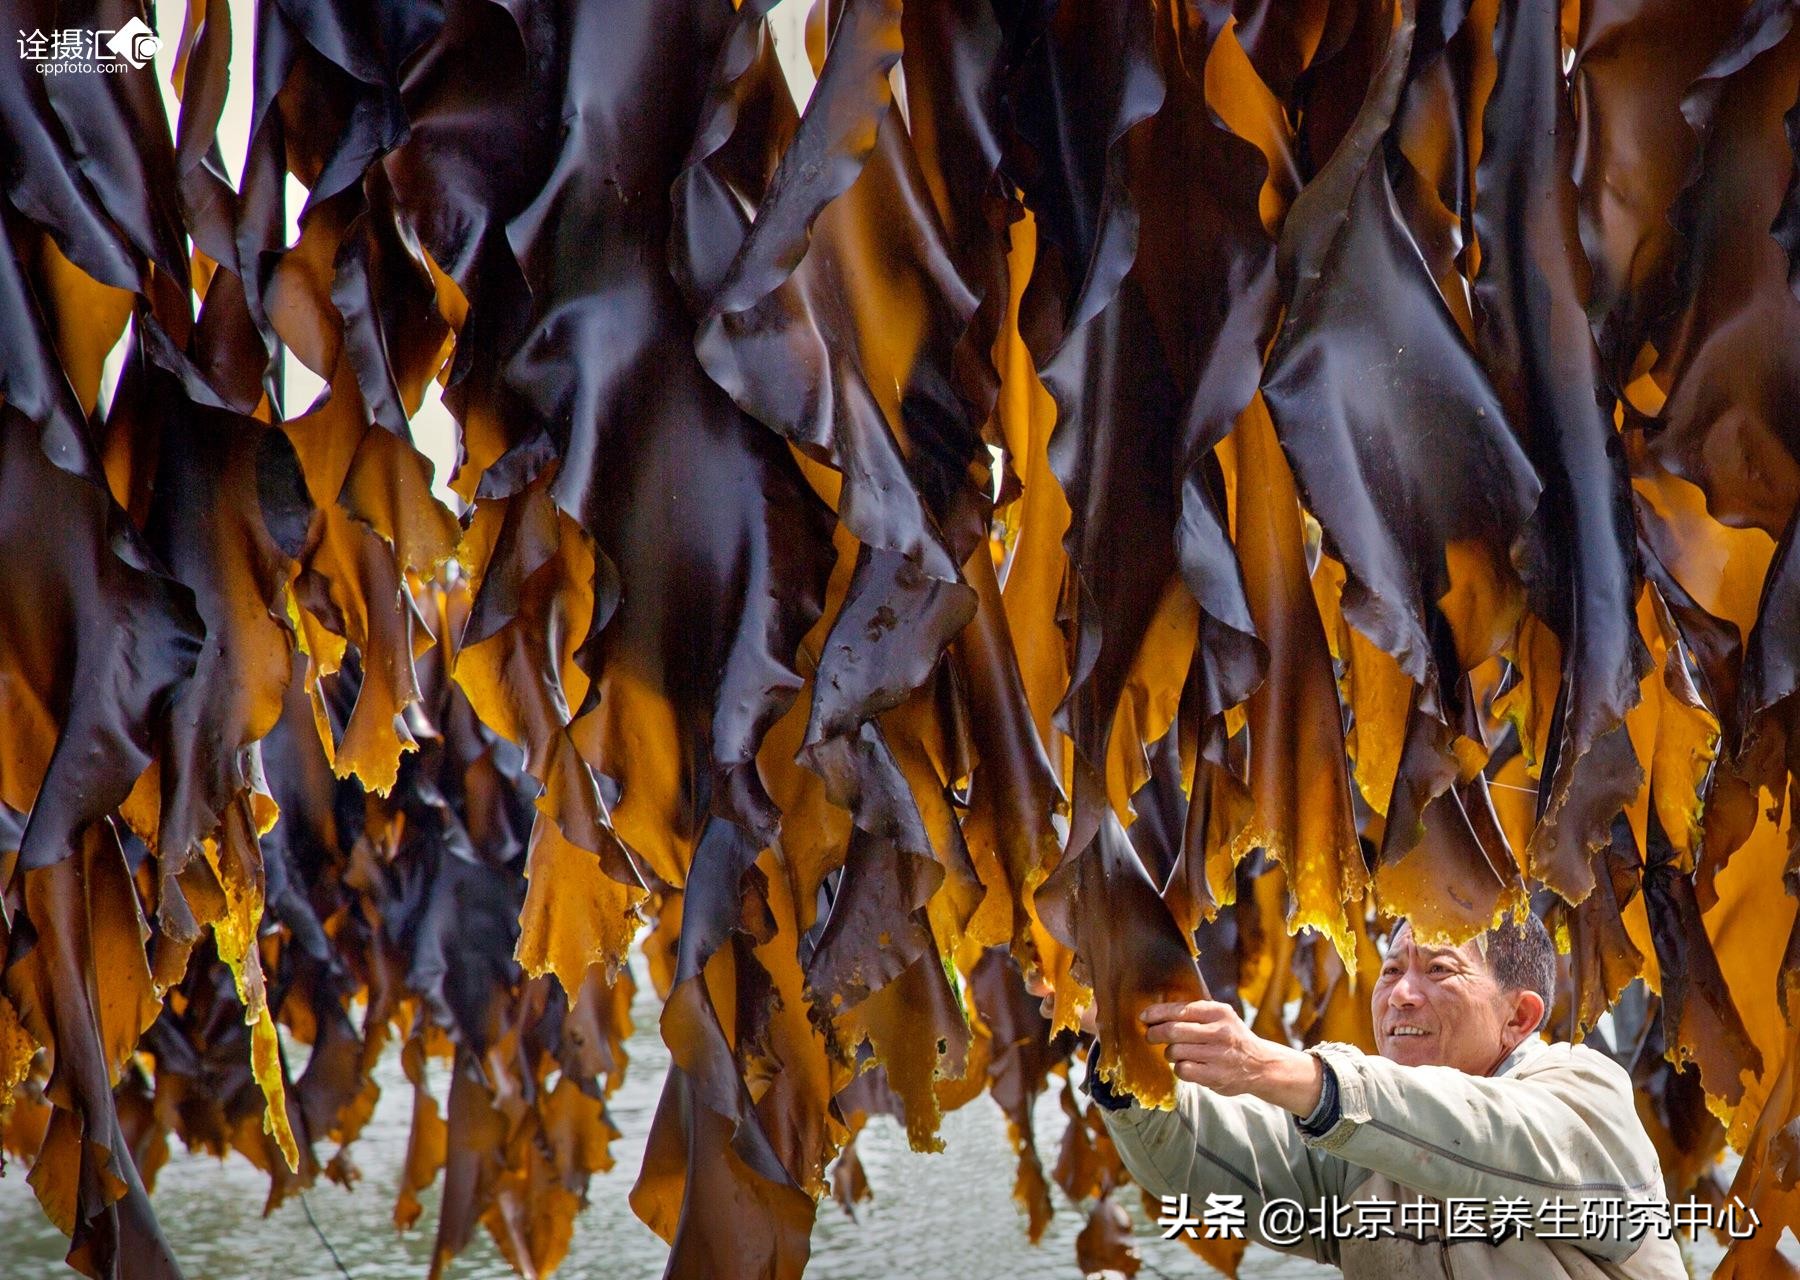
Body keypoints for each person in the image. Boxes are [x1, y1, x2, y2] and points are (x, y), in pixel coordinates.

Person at [1076, 914, 1688, 1278]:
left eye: (1440, 970)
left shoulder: (1585, 1094)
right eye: (1391, 971)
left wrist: (1273, 1067)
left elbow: (1490, 1136)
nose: (1400, 994)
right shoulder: (1355, 1142)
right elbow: (1195, 1165)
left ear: (1519, 1016)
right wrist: (1130, 1044)